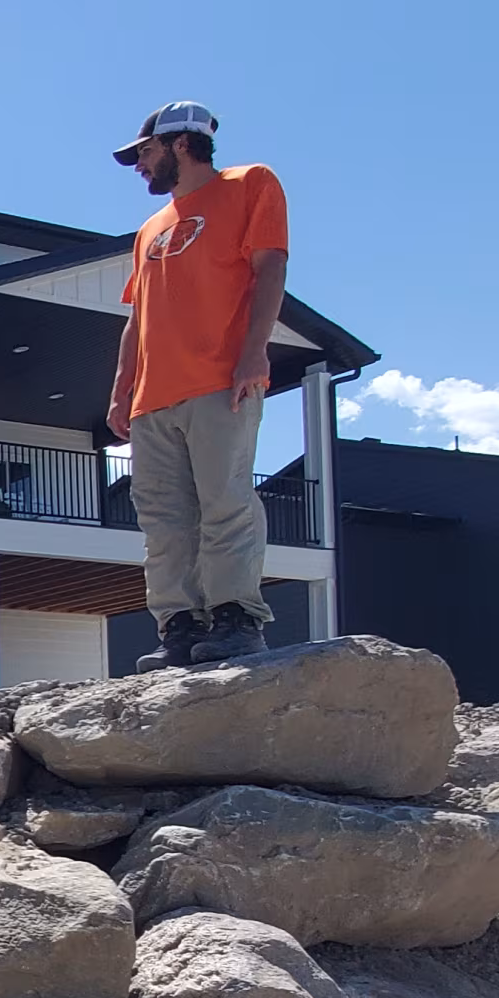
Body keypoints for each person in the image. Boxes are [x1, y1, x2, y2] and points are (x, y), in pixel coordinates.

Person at [107, 100, 290, 669]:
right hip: (151, 399)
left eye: (144, 153)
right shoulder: (150, 229)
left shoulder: (250, 184)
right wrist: (120, 389)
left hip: (219, 379)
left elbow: (270, 268)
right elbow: (138, 316)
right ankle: (180, 625)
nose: (139, 166)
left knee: (225, 502)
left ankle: (236, 618)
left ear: (180, 143)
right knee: (163, 521)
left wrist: (254, 353)